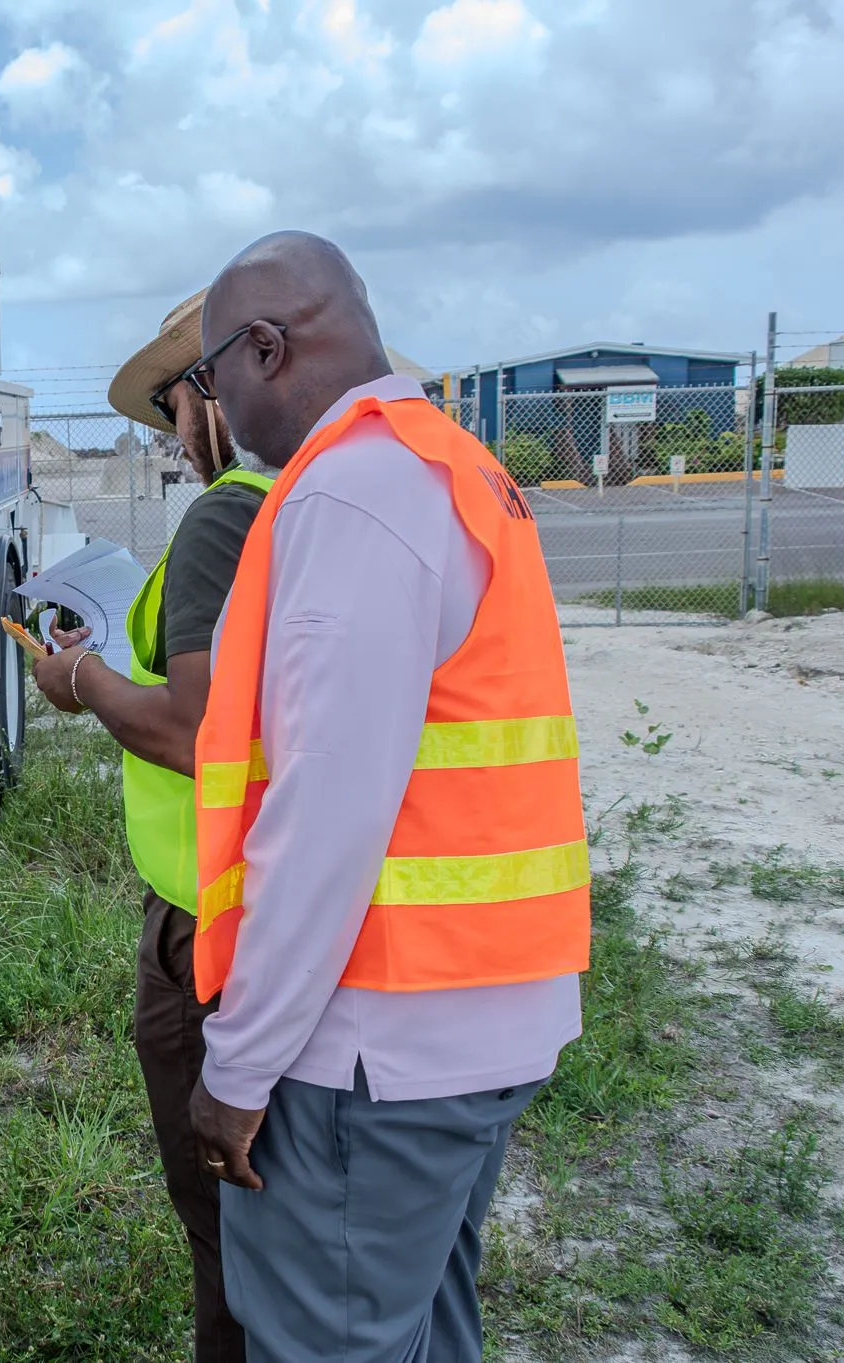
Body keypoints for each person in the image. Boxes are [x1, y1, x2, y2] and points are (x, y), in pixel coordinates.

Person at [182, 232, 591, 1363]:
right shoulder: (448, 468)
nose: (214, 412)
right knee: (417, 1324)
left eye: (213, 379)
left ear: (263, 349)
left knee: (329, 1338)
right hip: (469, 1020)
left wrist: (238, 1064)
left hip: (371, 1044)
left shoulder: (350, 492)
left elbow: (324, 819)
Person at [30, 289, 269, 1363]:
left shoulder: (227, 509)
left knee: (221, 1220)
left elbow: (191, 733)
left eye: (170, 405)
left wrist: (78, 675)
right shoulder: (311, 498)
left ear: (215, 387)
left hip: (205, 916)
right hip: (273, 899)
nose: (168, 436)